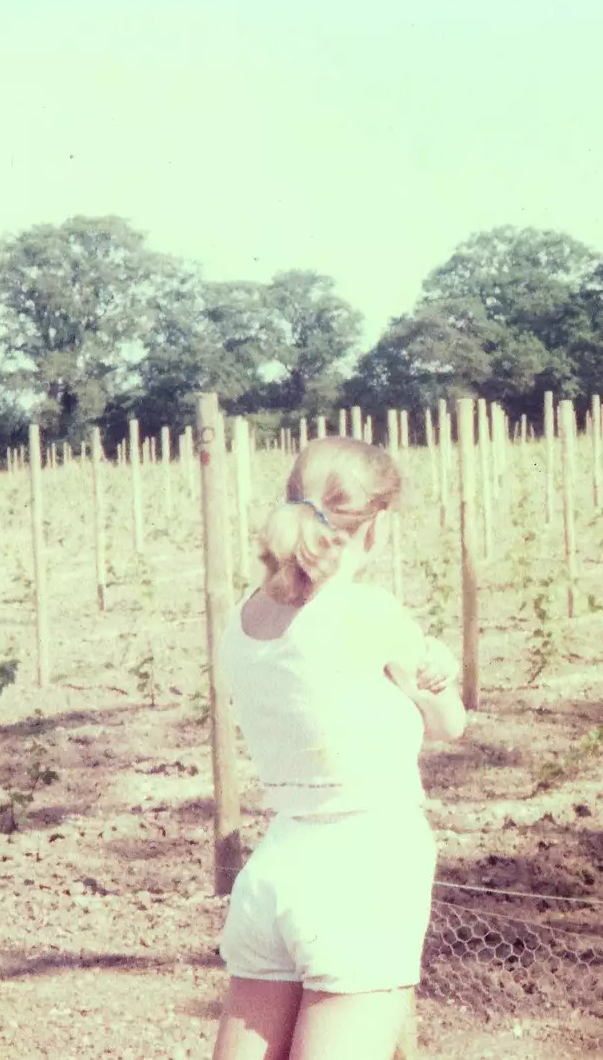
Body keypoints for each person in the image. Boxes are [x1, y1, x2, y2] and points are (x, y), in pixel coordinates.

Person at [211, 436, 467, 1060]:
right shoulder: (369, 612)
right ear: (374, 528)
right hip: (366, 862)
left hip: (278, 863)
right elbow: (448, 722)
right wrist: (440, 674)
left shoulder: (243, 621)